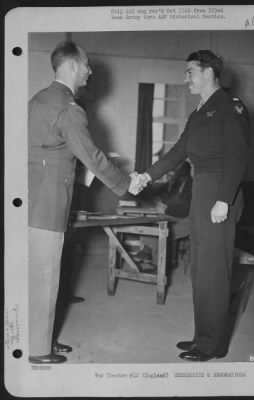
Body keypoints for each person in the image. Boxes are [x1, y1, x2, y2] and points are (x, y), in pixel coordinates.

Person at [28, 40, 142, 364]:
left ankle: (41, 338)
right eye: (87, 64)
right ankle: (38, 350)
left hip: (28, 198)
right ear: (73, 65)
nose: (90, 71)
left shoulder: (37, 99)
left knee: (38, 274)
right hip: (48, 202)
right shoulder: (68, 107)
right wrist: (125, 184)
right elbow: (91, 156)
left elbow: (52, 154)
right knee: (46, 276)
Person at [136, 50, 250, 361]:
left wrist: (223, 200)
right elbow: (178, 152)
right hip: (201, 191)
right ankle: (203, 337)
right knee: (201, 270)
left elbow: (238, 157)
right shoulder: (200, 111)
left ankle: (213, 345)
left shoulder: (230, 107)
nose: (186, 78)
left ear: (210, 72)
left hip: (219, 193)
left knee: (214, 271)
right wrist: (147, 175)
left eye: (190, 72)